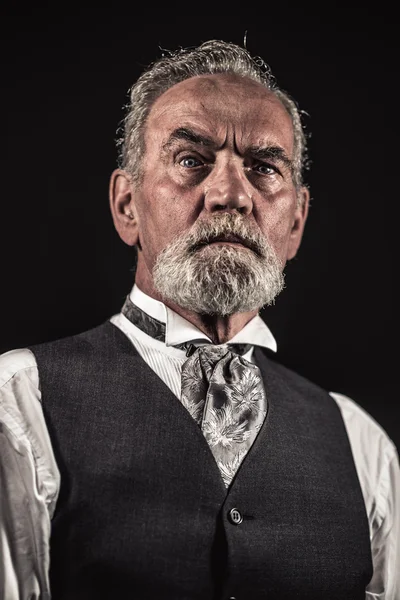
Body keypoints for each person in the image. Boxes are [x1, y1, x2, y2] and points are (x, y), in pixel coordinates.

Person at [0, 39, 398, 600]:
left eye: (263, 168)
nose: (230, 194)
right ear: (127, 205)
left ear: (297, 222)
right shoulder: (19, 403)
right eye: (191, 160)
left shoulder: (362, 447)